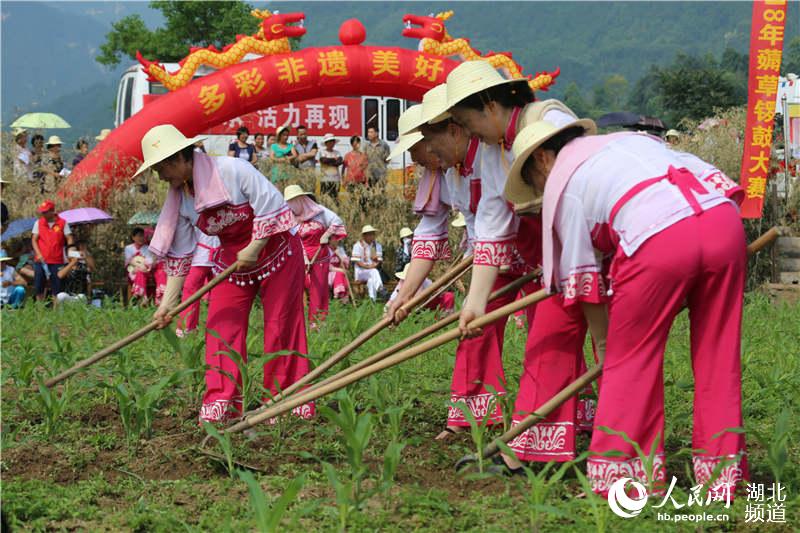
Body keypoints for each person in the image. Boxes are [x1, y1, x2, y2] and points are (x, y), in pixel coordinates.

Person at [504, 108, 747, 497]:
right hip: (722, 224)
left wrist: (605, 348)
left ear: (542, 158)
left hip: (658, 236)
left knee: (631, 358)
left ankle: (624, 481)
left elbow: (583, 282)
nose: (540, 189)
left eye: (533, 180)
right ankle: (722, 478)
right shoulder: (629, 143)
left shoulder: (565, 182)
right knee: (719, 357)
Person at [431, 63, 594, 458]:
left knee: (552, 340)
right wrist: (474, 303)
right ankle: (574, 429)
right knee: (558, 339)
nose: (469, 134)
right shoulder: (492, 151)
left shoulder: (548, 121)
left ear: (489, 106)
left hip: (584, 241)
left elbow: (582, 188)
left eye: (468, 122)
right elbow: (491, 223)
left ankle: (535, 447)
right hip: (544, 252)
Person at [139, 124, 311, 424]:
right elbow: (181, 256)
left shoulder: (233, 169)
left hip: (277, 250)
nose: (160, 177)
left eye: (160, 169)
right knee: (220, 327)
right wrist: (167, 304)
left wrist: (256, 245)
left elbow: (273, 206)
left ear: (178, 160)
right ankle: (223, 401)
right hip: (233, 260)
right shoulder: (181, 200)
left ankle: (285, 399)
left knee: (280, 324)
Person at [284, 185, 347, 324]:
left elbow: (337, 221)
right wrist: (305, 258)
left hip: (320, 258)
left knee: (318, 290)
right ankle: (295, 322)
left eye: (293, 200)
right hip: (300, 258)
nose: (291, 205)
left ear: (301, 199)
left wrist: (327, 234)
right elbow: (293, 240)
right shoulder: (290, 218)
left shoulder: (319, 212)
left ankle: (317, 322)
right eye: (289, 201)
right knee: (296, 289)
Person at [176, 228, 220, 337]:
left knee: (220, 293)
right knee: (191, 290)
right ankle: (187, 328)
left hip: (222, 251)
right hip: (200, 253)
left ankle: (218, 329)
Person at [31, 200, 73, 301]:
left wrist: (70, 251)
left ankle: (56, 313)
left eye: (45, 212)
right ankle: (40, 312)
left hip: (57, 261)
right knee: (39, 287)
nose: (43, 214)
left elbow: (69, 238)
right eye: (42, 212)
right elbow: (34, 240)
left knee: (57, 288)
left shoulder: (62, 223)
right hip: (40, 261)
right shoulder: (38, 223)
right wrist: (39, 254)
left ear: (52, 211)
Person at [388, 264, 455, 315]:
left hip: (425, 305)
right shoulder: (402, 283)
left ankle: (443, 317)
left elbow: (436, 291)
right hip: (409, 308)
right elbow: (391, 300)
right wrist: (387, 310)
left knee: (448, 296)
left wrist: (440, 289)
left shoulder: (425, 281)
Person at [351, 225, 385, 301]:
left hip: (372, 271)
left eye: (373, 234)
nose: (372, 236)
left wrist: (375, 263)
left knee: (371, 281)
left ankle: (372, 300)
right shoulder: (357, 245)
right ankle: (381, 289)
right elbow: (357, 262)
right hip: (361, 271)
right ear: (364, 236)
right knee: (374, 271)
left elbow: (379, 260)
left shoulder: (377, 246)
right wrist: (369, 267)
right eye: (369, 234)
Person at [125, 227, 155, 304]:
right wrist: (138, 266)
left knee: (141, 273)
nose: (141, 238)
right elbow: (129, 261)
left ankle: (140, 295)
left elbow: (149, 261)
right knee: (138, 273)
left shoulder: (147, 248)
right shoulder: (128, 248)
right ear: (133, 237)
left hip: (145, 270)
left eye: (143, 236)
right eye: (139, 236)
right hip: (133, 270)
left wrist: (143, 267)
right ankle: (143, 296)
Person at [318, 134, 343, 200]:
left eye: (333, 141)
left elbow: (339, 162)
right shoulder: (322, 152)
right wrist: (334, 159)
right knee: (324, 198)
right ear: (326, 143)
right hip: (325, 180)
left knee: (335, 198)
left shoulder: (337, 152)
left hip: (336, 180)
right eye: (330, 141)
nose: (332, 143)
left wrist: (329, 161)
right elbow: (323, 160)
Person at [328, 237, 350, 302]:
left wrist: (339, 255)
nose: (337, 240)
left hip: (340, 272)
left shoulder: (340, 249)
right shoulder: (325, 250)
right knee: (339, 274)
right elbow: (326, 266)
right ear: (329, 240)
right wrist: (339, 270)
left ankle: (343, 297)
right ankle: (341, 296)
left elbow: (346, 263)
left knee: (341, 274)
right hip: (328, 273)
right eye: (335, 239)